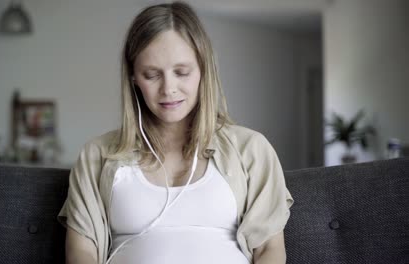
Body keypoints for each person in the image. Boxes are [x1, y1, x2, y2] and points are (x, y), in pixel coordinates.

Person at [57, 2, 294, 264]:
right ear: (134, 77)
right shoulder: (97, 156)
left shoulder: (252, 149)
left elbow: (270, 250)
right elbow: (82, 252)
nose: (169, 88)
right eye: (151, 75)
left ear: (204, 70)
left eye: (182, 72)